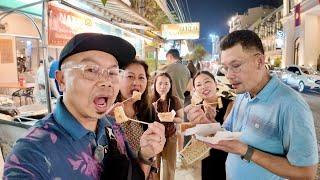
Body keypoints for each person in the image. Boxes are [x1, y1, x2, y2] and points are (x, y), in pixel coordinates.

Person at [4, 33, 166, 179]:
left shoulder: (114, 129)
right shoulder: (30, 156)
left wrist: (146, 153)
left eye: (112, 72)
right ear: (61, 80)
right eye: (91, 70)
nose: (106, 81)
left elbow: (133, 175)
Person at [185, 30, 318, 179]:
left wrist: (246, 151)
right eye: (225, 68)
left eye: (235, 65)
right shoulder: (243, 94)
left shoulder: (292, 105)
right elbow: (226, 133)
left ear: (259, 61)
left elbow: (306, 173)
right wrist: (207, 124)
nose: (228, 75)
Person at [185, 71, 233, 180]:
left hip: (227, 156)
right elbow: (195, 139)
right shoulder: (196, 109)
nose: (203, 87)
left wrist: (212, 121)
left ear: (216, 84)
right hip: (206, 157)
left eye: (207, 82)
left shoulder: (229, 104)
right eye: (198, 85)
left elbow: (230, 135)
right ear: (195, 90)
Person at [151, 72, 183, 180]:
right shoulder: (150, 100)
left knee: (169, 166)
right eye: (160, 83)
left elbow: (181, 119)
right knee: (154, 167)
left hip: (170, 136)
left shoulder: (175, 100)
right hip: (154, 138)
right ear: (155, 85)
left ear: (170, 85)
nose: (163, 86)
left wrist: (171, 118)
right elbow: (145, 119)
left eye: (166, 83)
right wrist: (152, 110)